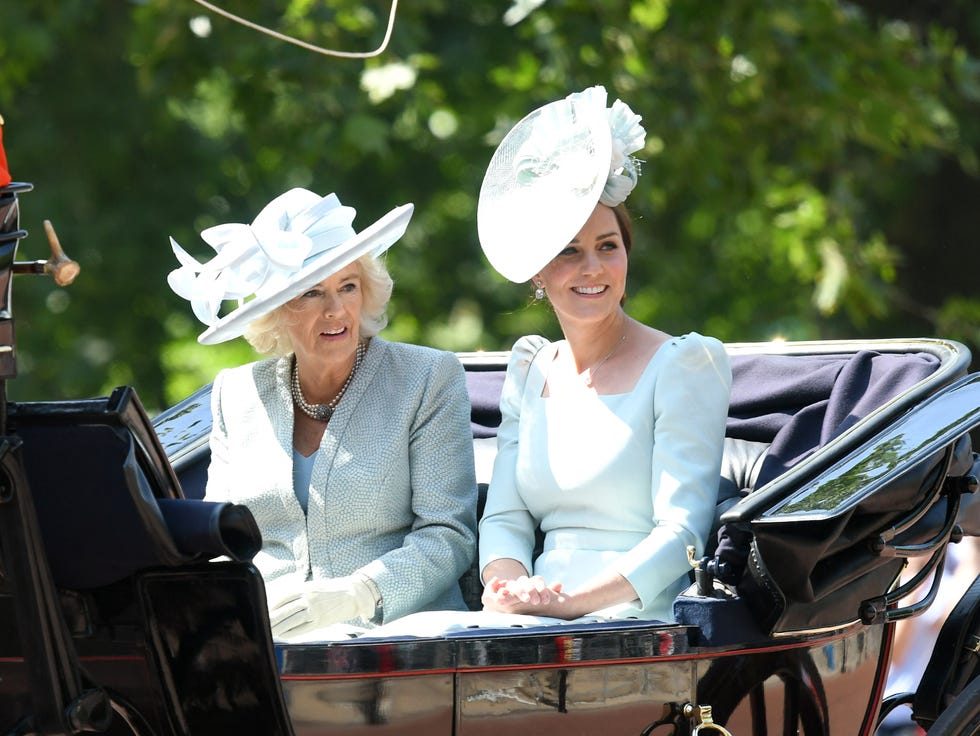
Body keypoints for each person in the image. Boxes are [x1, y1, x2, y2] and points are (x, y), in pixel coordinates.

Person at [168, 187, 478, 640]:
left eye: (347, 287)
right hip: (265, 650)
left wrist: (358, 594)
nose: (336, 310)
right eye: (310, 293)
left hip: (400, 647)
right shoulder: (236, 394)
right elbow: (220, 544)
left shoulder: (427, 378)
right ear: (275, 311)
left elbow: (449, 535)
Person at [476, 85, 732, 623]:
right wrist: (508, 586)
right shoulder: (529, 369)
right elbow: (505, 517)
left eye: (607, 247)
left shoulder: (685, 365)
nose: (591, 268)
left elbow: (683, 532)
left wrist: (576, 602)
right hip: (534, 613)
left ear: (626, 257)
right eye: (569, 252)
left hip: (639, 614)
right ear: (541, 273)